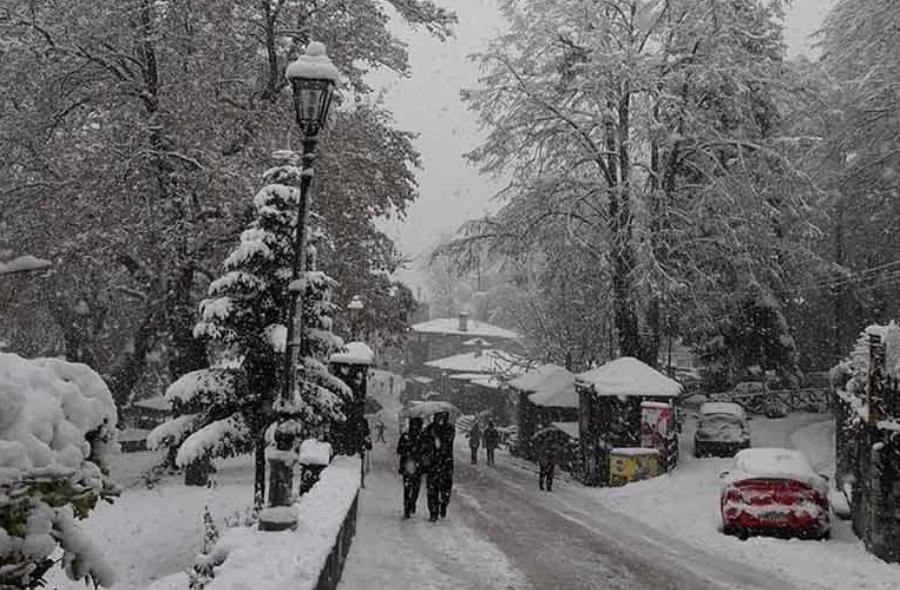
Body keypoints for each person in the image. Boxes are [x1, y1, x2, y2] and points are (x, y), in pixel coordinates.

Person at [423, 411, 455, 522]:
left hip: (445, 464)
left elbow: (447, 443)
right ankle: (433, 512)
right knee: (432, 490)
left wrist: (436, 436)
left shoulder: (449, 428)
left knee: (445, 489)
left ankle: (443, 504)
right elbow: (424, 443)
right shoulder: (429, 429)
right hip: (434, 464)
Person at [396, 417, 424, 519]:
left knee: (410, 488)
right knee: (412, 487)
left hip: (412, 465)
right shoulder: (409, 436)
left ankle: (409, 505)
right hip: (411, 465)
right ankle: (409, 505)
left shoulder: (419, 437)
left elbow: (399, 450)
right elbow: (399, 450)